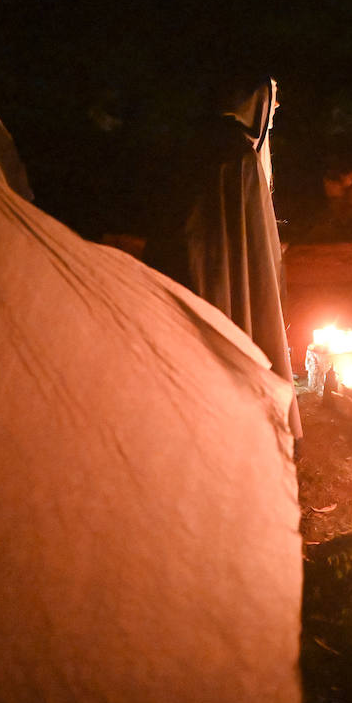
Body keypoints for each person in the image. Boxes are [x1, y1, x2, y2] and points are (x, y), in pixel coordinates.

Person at [142, 76, 303, 451]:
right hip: (214, 272)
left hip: (199, 269)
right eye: (273, 101)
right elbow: (241, 237)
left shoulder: (204, 143)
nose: (276, 110)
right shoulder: (237, 157)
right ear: (255, 103)